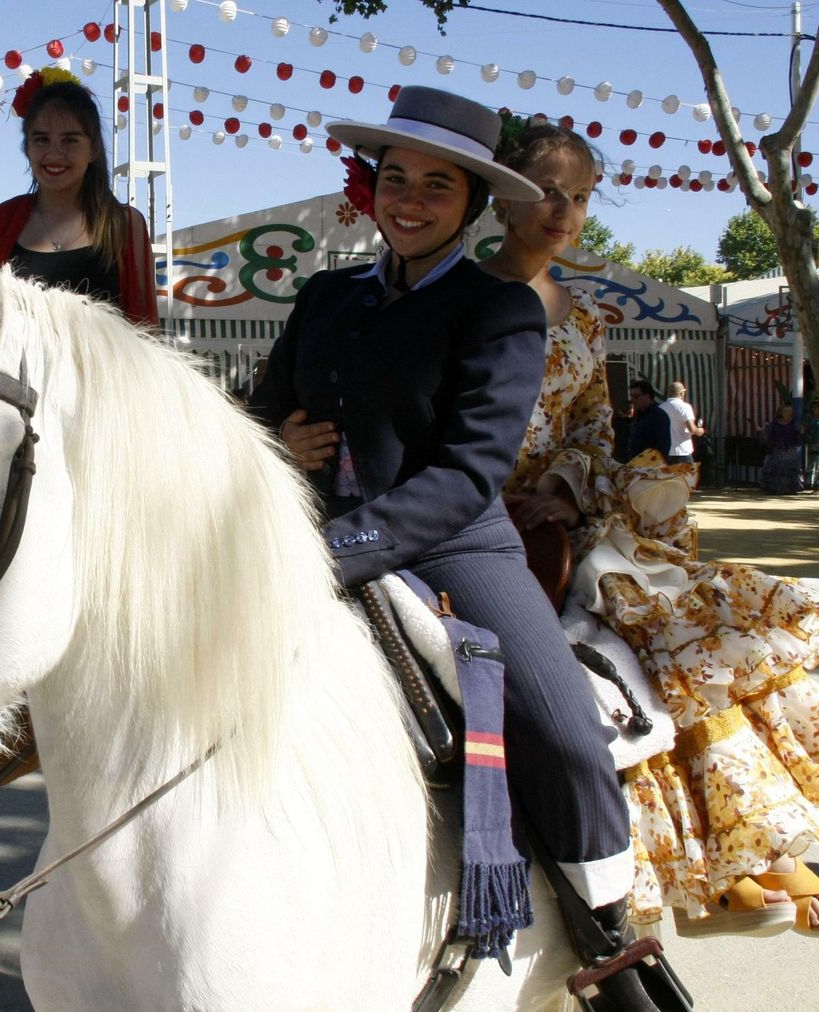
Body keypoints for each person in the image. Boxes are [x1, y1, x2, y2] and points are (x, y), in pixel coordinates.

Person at [250, 87, 657, 1005]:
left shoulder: (500, 310)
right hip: (299, 532)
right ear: (372, 187)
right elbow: (261, 407)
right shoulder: (324, 295)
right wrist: (277, 443)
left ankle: (611, 946)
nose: (411, 200)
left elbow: (469, 475)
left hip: (450, 549)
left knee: (563, 730)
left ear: (473, 202)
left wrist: (339, 548)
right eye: (395, 178)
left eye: (438, 185)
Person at [489, 119, 819, 939]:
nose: (564, 211)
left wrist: (567, 493)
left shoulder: (587, 316)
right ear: (501, 195)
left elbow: (594, 430)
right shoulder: (459, 299)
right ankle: (703, 864)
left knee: (683, 627)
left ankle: (745, 850)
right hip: (476, 514)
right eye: (545, 192)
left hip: (562, 521)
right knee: (619, 642)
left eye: (579, 196)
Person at [0, 67, 159, 328]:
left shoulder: (126, 225)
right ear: (26, 147)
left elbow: (145, 331)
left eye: (70, 141)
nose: (54, 153)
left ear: (93, 149)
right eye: (41, 140)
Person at [759, 404, 803, 494]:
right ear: (781, 412)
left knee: (790, 469)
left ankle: (790, 489)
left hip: (790, 450)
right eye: (786, 411)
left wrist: (801, 433)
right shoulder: (774, 424)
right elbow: (767, 436)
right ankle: (775, 488)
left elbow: (799, 440)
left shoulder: (795, 424)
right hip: (777, 450)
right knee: (776, 469)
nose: (788, 413)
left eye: (790, 411)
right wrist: (760, 432)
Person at [660, 381, 704, 466]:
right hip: (682, 451)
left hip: (666, 452)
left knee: (669, 479)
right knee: (687, 478)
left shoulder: (661, 407)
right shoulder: (685, 407)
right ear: (681, 393)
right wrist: (700, 431)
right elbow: (692, 429)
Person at [626, 380, 670, 462]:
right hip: (636, 465)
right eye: (631, 396)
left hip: (650, 466)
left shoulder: (658, 415)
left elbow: (663, 445)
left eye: (636, 396)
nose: (632, 400)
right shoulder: (638, 415)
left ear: (648, 396)